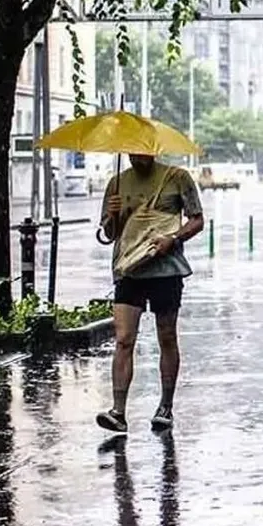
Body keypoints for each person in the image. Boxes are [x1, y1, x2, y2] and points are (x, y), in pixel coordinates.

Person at [96, 154, 204, 433]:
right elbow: (109, 234)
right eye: (132, 151)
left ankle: (166, 405)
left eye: (142, 151)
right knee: (123, 339)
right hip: (129, 270)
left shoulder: (177, 178)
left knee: (166, 336)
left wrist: (174, 238)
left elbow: (197, 219)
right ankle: (118, 411)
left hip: (166, 270)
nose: (136, 156)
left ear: (153, 150)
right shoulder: (117, 183)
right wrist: (112, 214)